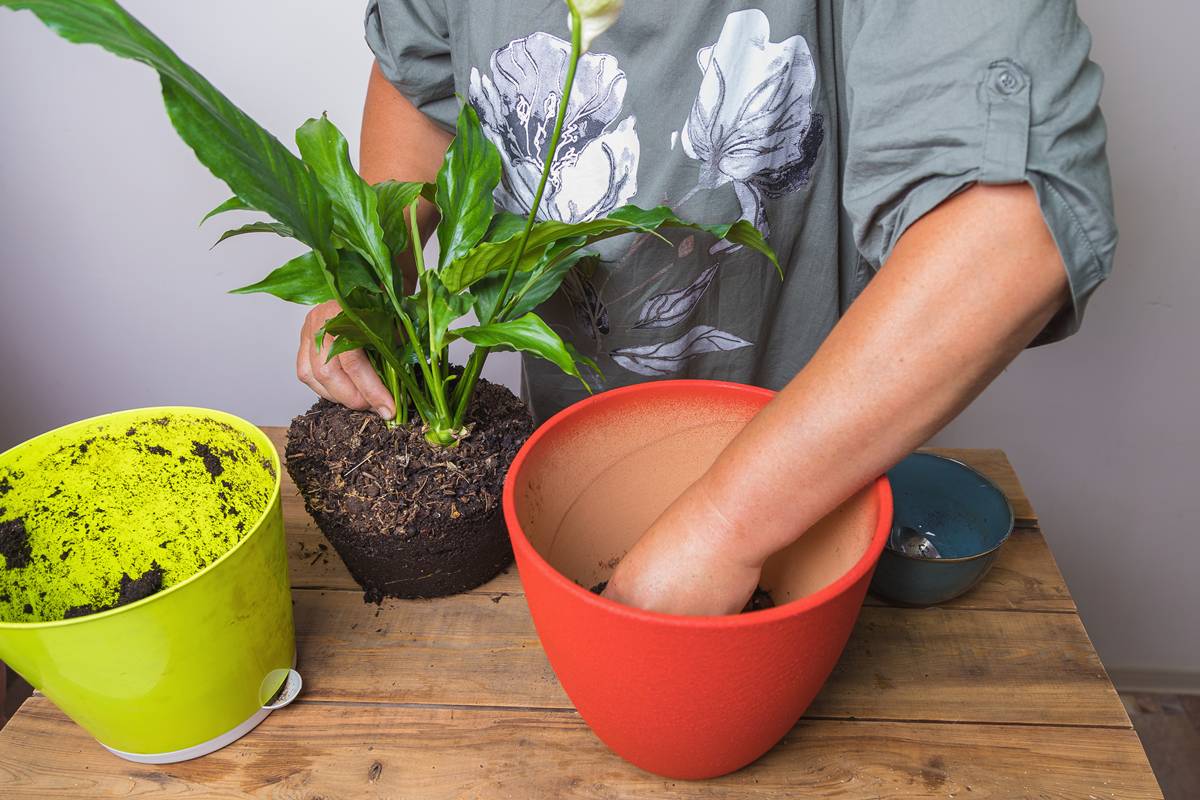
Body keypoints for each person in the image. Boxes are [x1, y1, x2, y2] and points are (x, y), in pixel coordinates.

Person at [296, 2, 1115, 615]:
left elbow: (1009, 235)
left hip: (796, 495)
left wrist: (724, 526)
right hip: (560, 466)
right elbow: (426, 76)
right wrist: (368, 275)